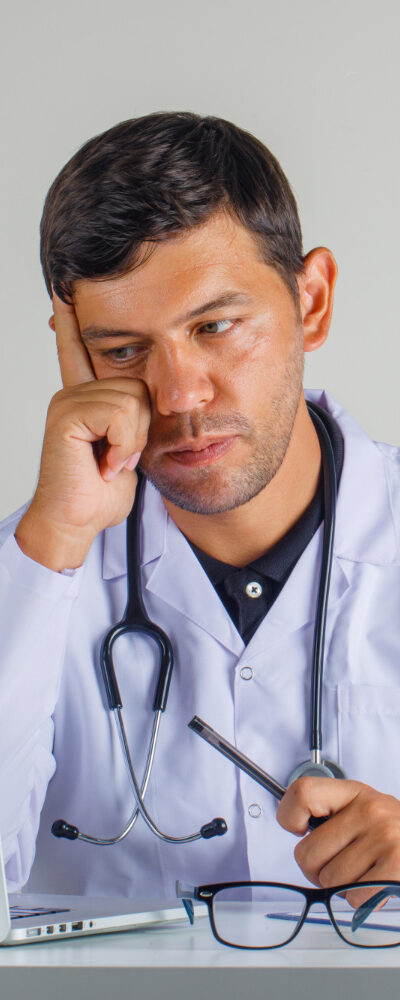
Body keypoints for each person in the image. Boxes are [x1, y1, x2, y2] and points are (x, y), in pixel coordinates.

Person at [0, 112, 399, 903]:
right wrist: (54, 540)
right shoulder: (36, 577)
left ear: (311, 301)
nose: (181, 395)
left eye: (215, 326)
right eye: (123, 350)